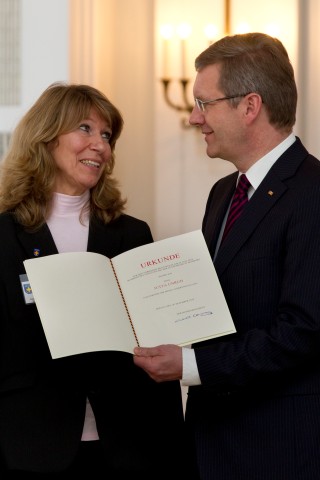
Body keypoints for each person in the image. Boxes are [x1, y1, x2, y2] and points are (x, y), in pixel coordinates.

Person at [133, 32, 320, 480]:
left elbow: (304, 332)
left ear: (249, 106)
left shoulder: (312, 193)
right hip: (210, 442)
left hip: (278, 449)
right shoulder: (224, 193)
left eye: (204, 103)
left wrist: (191, 365)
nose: (194, 119)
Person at [0, 82, 191, 479]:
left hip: (126, 447)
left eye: (107, 136)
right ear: (46, 137)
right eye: (85, 129)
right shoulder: (4, 234)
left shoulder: (131, 234)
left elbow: (155, 338)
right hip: (29, 446)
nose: (100, 146)